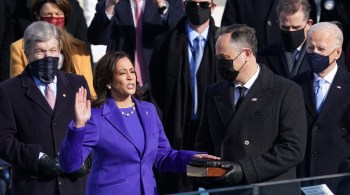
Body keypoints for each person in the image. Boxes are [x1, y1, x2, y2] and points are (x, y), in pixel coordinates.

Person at [58, 51, 220, 195]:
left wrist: (194, 160)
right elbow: (69, 165)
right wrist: (78, 126)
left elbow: (162, 156)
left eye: (132, 71)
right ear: (108, 82)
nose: (130, 77)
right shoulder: (96, 117)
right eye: (122, 73)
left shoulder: (148, 110)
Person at [195, 24, 307, 190]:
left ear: (247, 54)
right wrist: (202, 174)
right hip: (226, 190)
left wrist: (244, 170)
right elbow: (203, 144)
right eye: (218, 58)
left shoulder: (285, 90)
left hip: (267, 189)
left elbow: (292, 149)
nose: (220, 64)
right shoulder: (213, 92)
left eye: (225, 58)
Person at [0, 21, 91, 195]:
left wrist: (87, 158)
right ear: (27, 54)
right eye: (40, 51)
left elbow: (92, 128)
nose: (47, 56)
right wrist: (38, 159)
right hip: (34, 185)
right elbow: (3, 140)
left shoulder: (77, 84)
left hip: (74, 185)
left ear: (59, 51)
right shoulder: (8, 91)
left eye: (52, 50)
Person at [149, 0, 221, 192]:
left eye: (204, 4)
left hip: (213, 131)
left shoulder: (225, 42)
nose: (198, 8)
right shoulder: (164, 43)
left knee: (212, 182)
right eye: (192, 3)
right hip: (177, 129)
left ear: (213, 7)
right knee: (180, 186)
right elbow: (156, 91)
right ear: (183, 6)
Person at [294, 22, 350, 181]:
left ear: (337, 52)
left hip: (339, 179)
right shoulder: (295, 86)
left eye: (321, 49)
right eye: (310, 48)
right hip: (301, 178)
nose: (314, 53)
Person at [87, 0, 184, 87]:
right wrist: (110, 5)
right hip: (122, 83)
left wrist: (163, 7)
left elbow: (183, 32)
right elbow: (96, 39)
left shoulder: (170, 2)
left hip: (159, 80)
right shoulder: (109, 3)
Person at [10, 0, 95, 97]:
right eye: (48, 15)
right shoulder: (19, 47)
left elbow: (89, 91)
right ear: (38, 16)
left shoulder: (80, 48)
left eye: (58, 14)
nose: (53, 19)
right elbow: (17, 89)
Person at [257, 0, 313, 80]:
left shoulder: (320, 55)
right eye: (285, 27)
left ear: (309, 24)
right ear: (278, 24)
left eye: (296, 27)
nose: (291, 31)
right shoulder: (264, 55)